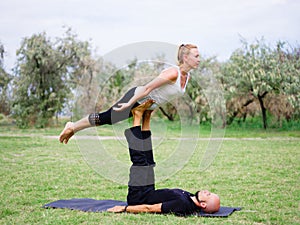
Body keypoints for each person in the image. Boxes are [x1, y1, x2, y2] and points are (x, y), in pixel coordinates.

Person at [59, 44, 200, 144]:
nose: (199, 59)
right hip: (137, 97)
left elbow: (161, 96)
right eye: (196, 56)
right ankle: (73, 126)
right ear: (185, 58)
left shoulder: (187, 77)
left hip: (146, 104)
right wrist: (128, 103)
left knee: (107, 119)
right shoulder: (173, 73)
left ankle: (73, 127)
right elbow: (147, 88)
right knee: (107, 118)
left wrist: (150, 110)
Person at [107, 99, 220, 216]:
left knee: (140, 161)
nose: (207, 191)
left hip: (138, 197)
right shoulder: (191, 198)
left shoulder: (182, 204)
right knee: (149, 159)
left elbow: (150, 208)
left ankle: (137, 116)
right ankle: (147, 116)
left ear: (203, 205)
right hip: (148, 191)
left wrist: (125, 208)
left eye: (208, 195)